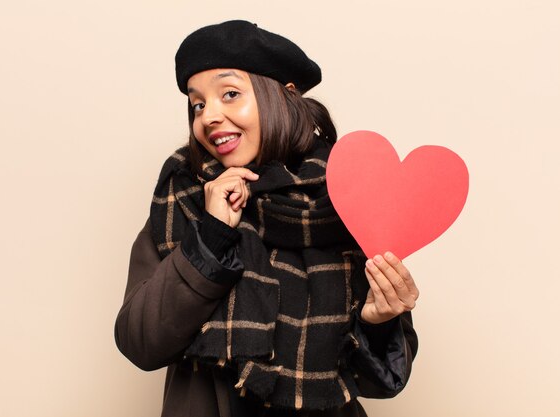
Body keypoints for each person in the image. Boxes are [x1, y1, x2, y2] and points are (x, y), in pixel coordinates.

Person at [115, 20, 419, 417]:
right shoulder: (184, 198)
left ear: (285, 97)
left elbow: (380, 383)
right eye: (198, 104)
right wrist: (210, 238)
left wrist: (377, 322)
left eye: (230, 94)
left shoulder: (348, 200)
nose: (209, 117)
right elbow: (140, 342)